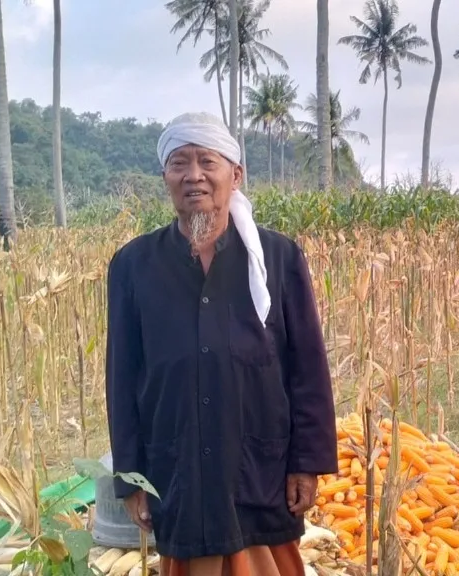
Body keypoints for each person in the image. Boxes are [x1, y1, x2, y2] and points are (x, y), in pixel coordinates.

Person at [104, 111, 338, 576]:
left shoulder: (278, 258)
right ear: (166, 177)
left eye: (207, 162)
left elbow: (307, 368)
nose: (194, 176)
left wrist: (306, 463)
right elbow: (123, 376)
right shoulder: (133, 265)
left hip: (259, 467)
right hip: (179, 466)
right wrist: (130, 478)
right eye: (179, 164)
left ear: (235, 174)